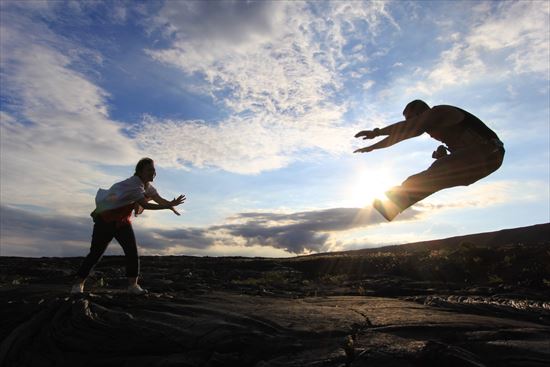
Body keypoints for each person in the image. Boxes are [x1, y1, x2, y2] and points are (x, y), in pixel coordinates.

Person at [354, 100, 504, 221]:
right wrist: (372, 147)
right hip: (483, 160)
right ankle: (393, 204)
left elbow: (409, 129)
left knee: (436, 170)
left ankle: (394, 201)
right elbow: (401, 135)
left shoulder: (438, 112)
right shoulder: (432, 122)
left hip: (488, 151)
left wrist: (377, 132)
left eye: (410, 118)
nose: (409, 122)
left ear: (420, 112)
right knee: (430, 178)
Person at [71, 158, 185, 295]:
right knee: (96, 253)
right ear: (140, 171)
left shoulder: (147, 186)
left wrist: (171, 204)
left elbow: (159, 200)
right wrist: (166, 207)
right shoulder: (134, 185)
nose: (153, 173)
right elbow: (145, 205)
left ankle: (133, 286)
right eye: (150, 170)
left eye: (154, 170)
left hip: (123, 221)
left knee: (132, 252)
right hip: (106, 220)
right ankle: (78, 285)